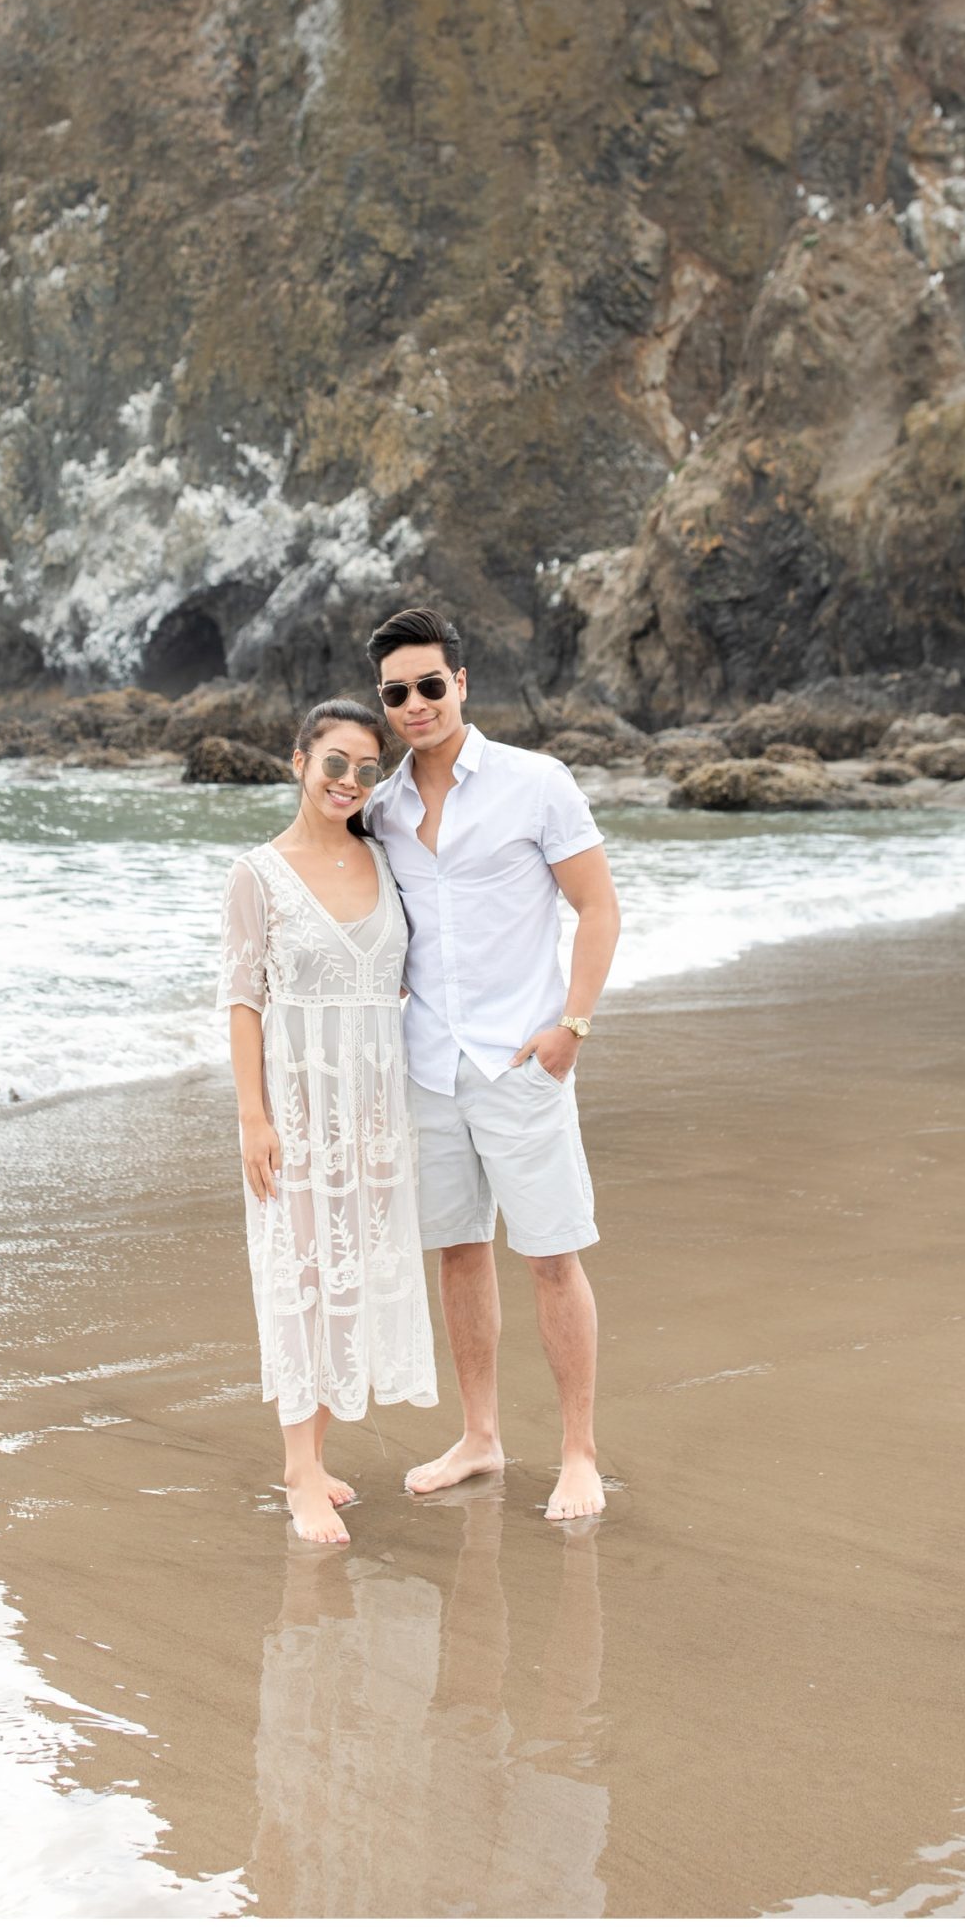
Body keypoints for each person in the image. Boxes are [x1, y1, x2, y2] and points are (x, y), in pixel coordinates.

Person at [362, 607, 622, 1521]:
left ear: (462, 684)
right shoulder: (382, 808)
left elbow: (598, 908)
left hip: (522, 1060)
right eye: (397, 692)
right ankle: (481, 1438)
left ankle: (579, 1454)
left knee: (552, 1255)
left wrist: (571, 1029)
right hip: (427, 1064)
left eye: (431, 685)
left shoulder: (536, 782)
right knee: (460, 1254)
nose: (415, 704)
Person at [220, 697, 438, 1543]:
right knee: (299, 1276)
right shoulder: (257, 874)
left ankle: (316, 1454)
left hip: (376, 1110)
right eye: (334, 763)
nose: (349, 781)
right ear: (299, 762)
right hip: (297, 1112)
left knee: (347, 1270)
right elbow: (243, 1001)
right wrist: (253, 1118)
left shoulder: (389, 862)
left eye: (365, 768)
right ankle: (299, 1473)